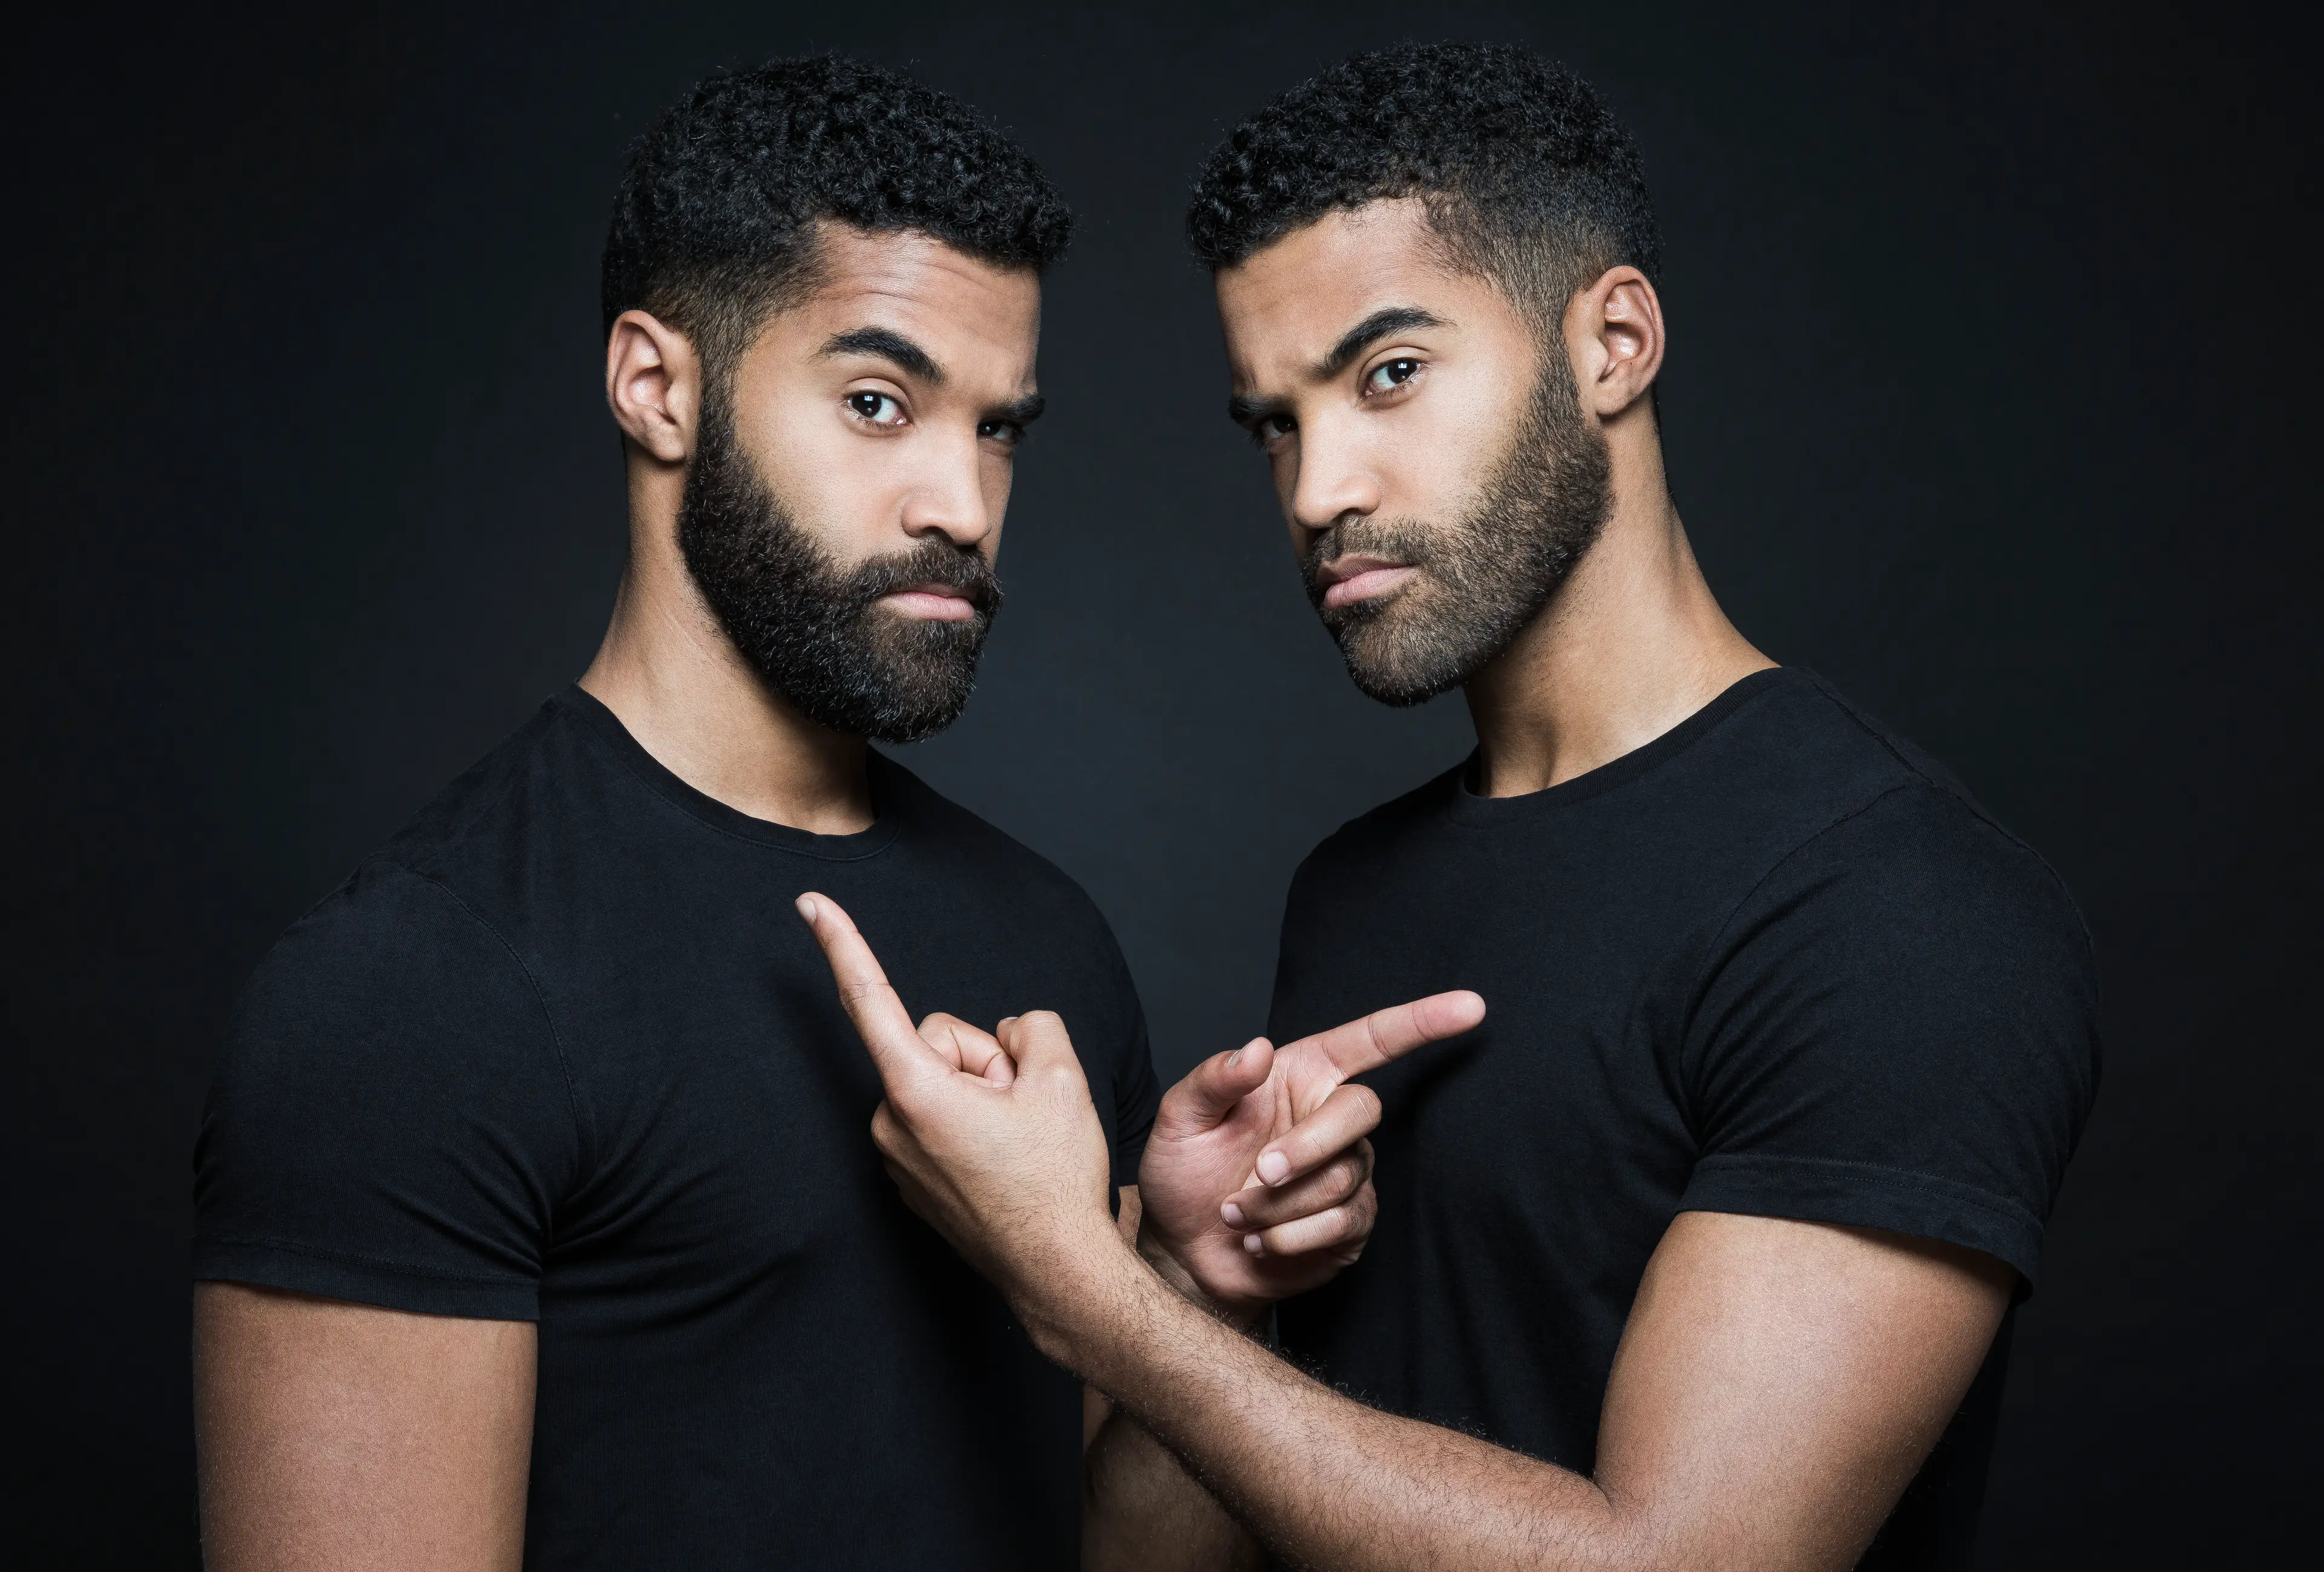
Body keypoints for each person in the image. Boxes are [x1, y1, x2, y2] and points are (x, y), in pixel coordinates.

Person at [798, 41, 2101, 1572]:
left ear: (1614, 342)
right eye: (1275, 421)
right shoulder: (1357, 891)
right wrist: (1208, 1292)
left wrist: (1083, 1288)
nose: (1317, 487)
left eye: (1389, 375)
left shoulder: (1899, 914)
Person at [190, 56, 1462, 1570]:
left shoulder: (1043, 937)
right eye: (879, 403)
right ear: (657, 386)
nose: (964, 506)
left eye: (998, 429)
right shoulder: (412, 992)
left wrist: (1200, 1289)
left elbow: (1115, 1555)